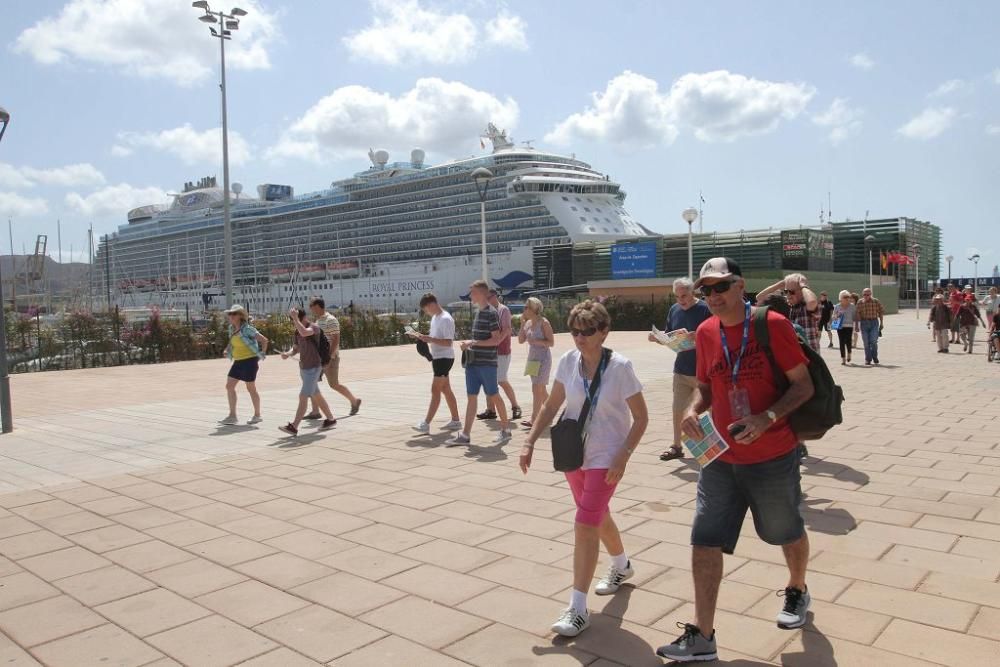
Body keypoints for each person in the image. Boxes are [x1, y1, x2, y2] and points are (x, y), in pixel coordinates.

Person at [657, 258, 815, 663]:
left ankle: (797, 588)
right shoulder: (707, 332)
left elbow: (803, 385)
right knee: (703, 540)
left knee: (786, 530)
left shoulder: (771, 325)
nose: (712, 296)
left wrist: (767, 417)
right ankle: (703, 635)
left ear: (740, 285)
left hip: (772, 454)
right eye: (706, 290)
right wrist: (693, 410)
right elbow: (706, 387)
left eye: (720, 287)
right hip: (720, 458)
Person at [519, 300, 648, 638]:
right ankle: (622, 565)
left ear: (604, 331)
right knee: (596, 514)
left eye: (588, 331)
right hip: (575, 453)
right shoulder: (568, 361)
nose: (580, 337)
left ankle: (578, 608)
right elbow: (551, 404)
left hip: (607, 456)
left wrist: (624, 455)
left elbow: (642, 418)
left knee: (584, 522)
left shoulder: (620, 367)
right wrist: (530, 440)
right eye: (575, 331)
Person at [650, 277, 712, 461]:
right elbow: (670, 336)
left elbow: (717, 333)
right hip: (681, 369)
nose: (680, 300)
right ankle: (676, 447)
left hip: (703, 371)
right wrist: (658, 338)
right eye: (677, 296)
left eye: (684, 296)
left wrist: (698, 336)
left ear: (692, 292)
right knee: (678, 410)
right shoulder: (674, 309)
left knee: (710, 410)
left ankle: (715, 449)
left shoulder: (705, 309)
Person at [448, 280, 512, 446]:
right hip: (473, 363)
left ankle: (505, 430)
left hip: (487, 364)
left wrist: (472, 343)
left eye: (473, 293)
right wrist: (469, 343)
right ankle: (465, 435)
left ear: (483, 294)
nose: (471, 296)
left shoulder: (491, 313)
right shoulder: (479, 312)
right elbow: (481, 339)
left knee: (494, 395)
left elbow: (496, 340)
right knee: (472, 397)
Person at [408, 293, 463, 433]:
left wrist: (430, 339)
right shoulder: (435, 318)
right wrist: (420, 336)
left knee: (435, 390)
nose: (426, 312)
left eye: (426, 309)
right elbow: (434, 338)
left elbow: (449, 342)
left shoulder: (445, 319)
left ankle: (426, 424)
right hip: (439, 358)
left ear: (431, 304)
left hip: (444, 358)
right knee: (445, 389)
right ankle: (456, 420)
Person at [278, 308, 337, 435]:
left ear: (304, 317)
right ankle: (331, 419)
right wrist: (287, 354)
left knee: (303, 396)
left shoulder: (314, 328)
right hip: (304, 368)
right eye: (293, 320)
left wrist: (295, 318)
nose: (294, 322)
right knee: (317, 395)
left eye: (297, 319)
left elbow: (305, 333)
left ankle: (294, 426)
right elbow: (295, 349)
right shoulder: (297, 331)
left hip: (314, 367)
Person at [303, 298, 361, 420]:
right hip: (319, 358)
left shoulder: (331, 320)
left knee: (334, 384)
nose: (311, 309)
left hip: (330, 357)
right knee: (312, 383)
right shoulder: (318, 321)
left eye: (312, 307)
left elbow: (335, 339)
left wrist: (329, 357)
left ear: (318, 306)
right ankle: (315, 411)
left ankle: (354, 401)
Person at [478, 290, 522, 422]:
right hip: (489, 351)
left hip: (502, 351)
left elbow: (507, 329)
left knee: (501, 380)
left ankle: (515, 406)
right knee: (488, 380)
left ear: (495, 297)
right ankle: (491, 410)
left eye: (488, 298)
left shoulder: (504, 310)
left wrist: (497, 341)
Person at [220, 305, 268, 425]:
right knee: (229, 386)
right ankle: (232, 416)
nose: (230, 316)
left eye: (234, 314)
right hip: (238, 361)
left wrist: (262, 353)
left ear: (240, 316)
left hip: (250, 361)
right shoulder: (231, 328)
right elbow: (232, 342)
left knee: (251, 388)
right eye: (230, 314)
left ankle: (257, 415)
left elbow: (264, 340)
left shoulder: (248, 329)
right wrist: (227, 350)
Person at [756, 273, 820, 352]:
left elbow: (812, 302)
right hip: (794, 355)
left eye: (792, 292)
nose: (788, 295)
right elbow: (759, 297)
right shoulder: (786, 303)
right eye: (786, 291)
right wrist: (780, 284)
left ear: (802, 291)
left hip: (810, 357)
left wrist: (803, 286)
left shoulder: (806, 305)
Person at [517, 297, 554, 428]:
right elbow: (521, 340)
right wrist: (522, 324)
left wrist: (537, 342)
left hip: (543, 358)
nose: (524, 309)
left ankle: (535, 419)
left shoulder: (544, 322)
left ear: (534, 309)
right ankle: (551, 411)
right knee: (541, 390)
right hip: (532, 359)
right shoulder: (528, 324)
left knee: (536, 388)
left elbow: (551, 342)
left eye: (526, 307)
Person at [856, 288, 885, 365]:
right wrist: (857, 325)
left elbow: (881, 312)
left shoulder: (876, 301)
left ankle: (875, 357)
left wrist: (882, 323)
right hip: (864, 323)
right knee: (866, 342)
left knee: (873, 341)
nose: (866, 296)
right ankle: (868, 359)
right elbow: (857, 314)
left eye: (867, 294)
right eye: (864, 294)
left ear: (870, 294)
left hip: (874, 322)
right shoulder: (860, 302)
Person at [831, 290, 856, 365]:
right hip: (840, 326)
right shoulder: (837, 306)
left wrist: (857, 326)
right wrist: (836, 316)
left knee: (848, 341)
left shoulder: (852, 306)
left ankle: (849, 353)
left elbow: (854, 317)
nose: (847, 298)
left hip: (849, 326)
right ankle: (843, 359)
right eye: (845, 297)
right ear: (841, 298)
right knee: (841, 342)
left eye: (848, 297)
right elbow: (833, 317)